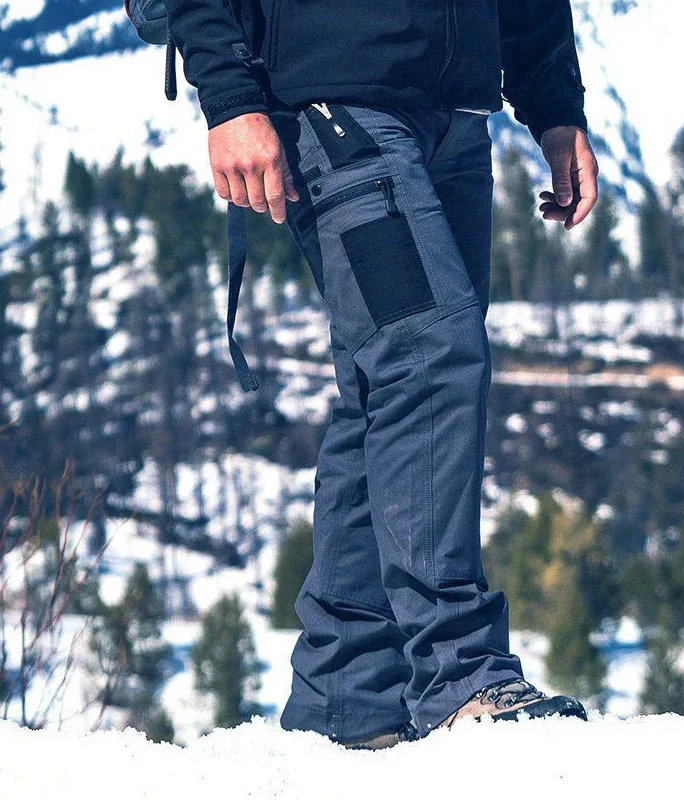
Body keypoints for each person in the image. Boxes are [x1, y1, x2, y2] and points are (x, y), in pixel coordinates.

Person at [163, 0, 600, 750]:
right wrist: (229, 97)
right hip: (333, 102)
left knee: (386, 390)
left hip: (457, 113)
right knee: (428, 357)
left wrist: (555, 105)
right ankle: (460, 672)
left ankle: (348, 697)